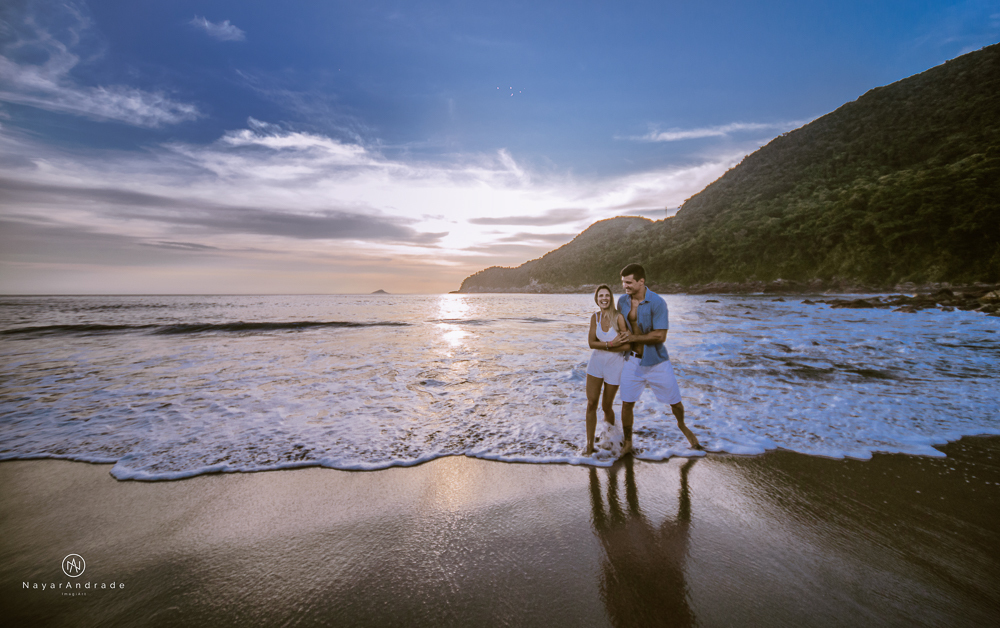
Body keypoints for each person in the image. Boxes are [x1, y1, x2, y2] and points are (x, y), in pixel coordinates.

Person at [615, 263, 701, 454]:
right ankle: (628, 443)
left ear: (641, 281)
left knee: (675, 401)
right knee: (627, 402)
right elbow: (619, 327)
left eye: (629, 282)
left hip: (656, 361)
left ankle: (681, 425)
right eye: (623, 282)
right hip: (632, 360)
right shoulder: (622, 302)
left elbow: (660, 336)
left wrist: (633, 337)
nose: (625, 286)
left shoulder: (658, 302)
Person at [584, 284, 631, 455]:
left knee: (606, 406)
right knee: (591, 404)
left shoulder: (618, 318)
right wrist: (610, 344)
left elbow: (627, 345)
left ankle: (609, 440)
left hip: (614, 366)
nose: (603, 298)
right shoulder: (594, 318)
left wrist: (608, 347)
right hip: (595, 364)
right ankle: (589, 445)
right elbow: (591, 343)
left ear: (611, 298)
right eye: (600, 296)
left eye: (606, 295)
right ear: (596, 299)